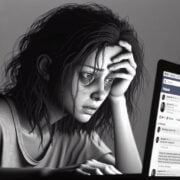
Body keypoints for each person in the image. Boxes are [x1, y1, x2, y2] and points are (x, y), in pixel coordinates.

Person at [0, 3, 144, 175]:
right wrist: (50, 175)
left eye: (109, 80)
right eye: (88, 76)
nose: (100, 94)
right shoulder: (3, 121)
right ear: (46, 67)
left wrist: (118, 98)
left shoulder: (75, 137)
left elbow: (132, 175)